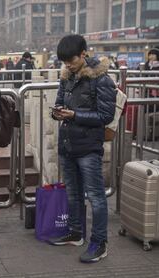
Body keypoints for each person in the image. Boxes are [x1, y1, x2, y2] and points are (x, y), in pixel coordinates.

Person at [49, 34, 116, 263]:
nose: (68, 64)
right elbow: (60, 101)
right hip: (68, 143)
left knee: (96, 197)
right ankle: (76, 233)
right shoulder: (67, 76)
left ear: (84, 54)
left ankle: (99, 243)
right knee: (73, 194)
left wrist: (75, 115)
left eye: (71, 60)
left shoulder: (102, 79)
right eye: (64, 61)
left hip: (89, 147)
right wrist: (56, 111)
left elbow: (106, 116)